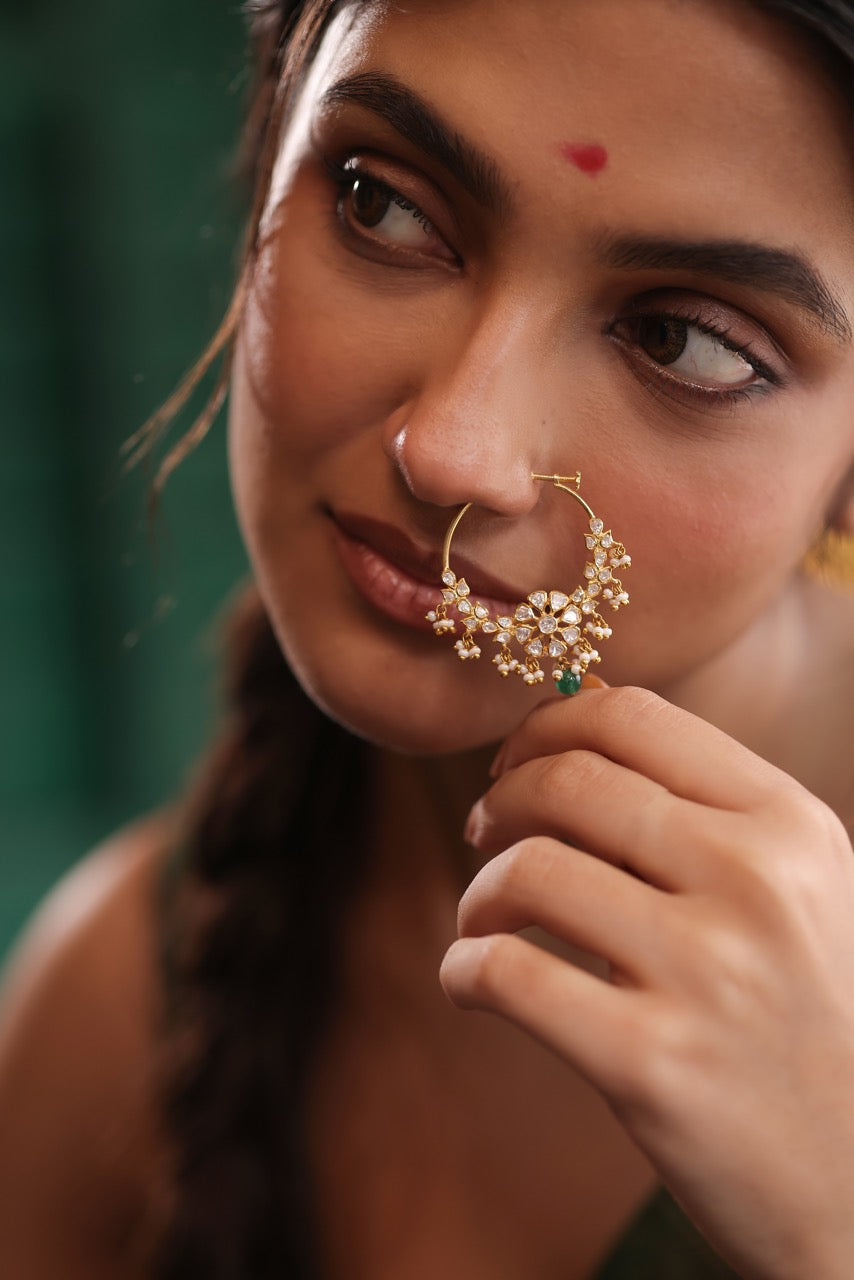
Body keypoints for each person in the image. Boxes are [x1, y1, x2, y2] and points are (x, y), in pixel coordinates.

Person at [2, 0, 854, 1275]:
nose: (452, 450)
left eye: (678, 341)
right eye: (383, 206)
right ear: (266, 151)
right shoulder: (114, 1013)